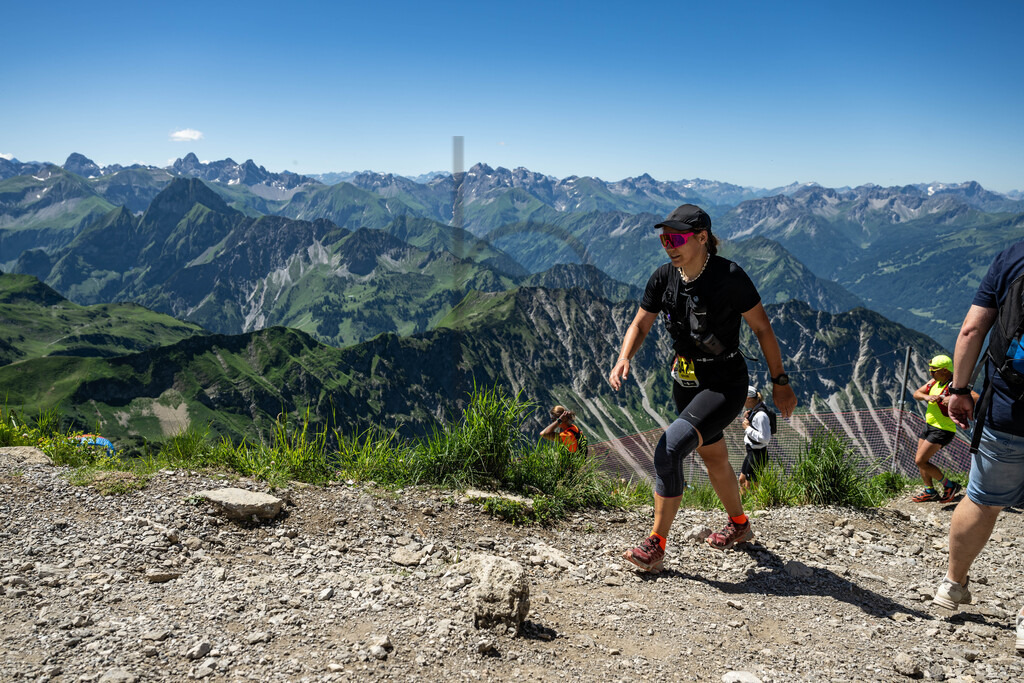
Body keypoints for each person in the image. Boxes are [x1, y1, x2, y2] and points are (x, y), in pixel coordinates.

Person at [608, 203, 797, 572]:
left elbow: (762, 328)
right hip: (686, 380)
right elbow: (640, 323)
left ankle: (655, 544)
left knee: (669, 449)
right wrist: (624, 356)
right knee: (714, 459)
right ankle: (740, 525)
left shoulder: (729, 276)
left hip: (725, 383)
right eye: (664, 238)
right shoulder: (664, 277)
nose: (668, 245)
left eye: (676, 238)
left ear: (702, 238)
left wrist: (780, 382)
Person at [930, 240, 1024, 656]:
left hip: (1009, 407)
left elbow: (972, 329)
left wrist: (961, 389)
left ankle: (952, 586)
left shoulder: (1014, 256)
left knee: (983, 499)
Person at [909, 354, 967, 503]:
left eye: (934, 370)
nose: (931, 373)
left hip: (943, 429)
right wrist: (927, 397)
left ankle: (949, 485)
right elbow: (917, 393)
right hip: (930, 426)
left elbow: (971, 396)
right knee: (923, 460)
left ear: (945, 371)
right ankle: (930, 491)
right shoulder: (934, 382)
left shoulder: (954, 385)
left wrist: (952, 399)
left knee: (920, 460)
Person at [738, 386, 772, 492]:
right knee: (742, 480)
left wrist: (747, 428)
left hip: (758, 453)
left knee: (750, 484)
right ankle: (742, 505)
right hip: (751, 452)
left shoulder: (761, 415)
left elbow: (765, 438)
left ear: (748, 398)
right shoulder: (755, 410)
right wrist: (748, 417)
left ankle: (749, 506)